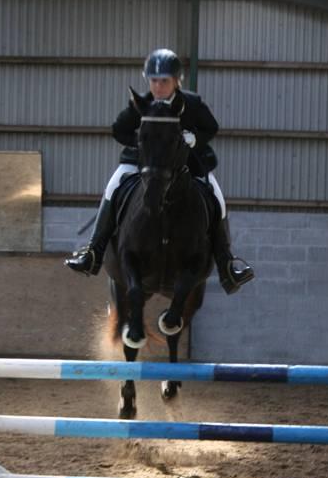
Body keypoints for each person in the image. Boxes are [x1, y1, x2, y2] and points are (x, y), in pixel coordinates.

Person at [65, 48, 254, 294]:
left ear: (177, 81)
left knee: (217, 197)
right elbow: (118, 130)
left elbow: (211, 127)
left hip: (188, 164)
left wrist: (194, 139)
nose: (158, 86)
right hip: (143, 163)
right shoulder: (141, 104)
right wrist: (144, 143)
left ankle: (227, 265)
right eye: (154, 81)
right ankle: (93, 253)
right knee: (112, 188)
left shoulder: (191, 103)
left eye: (164, 81)